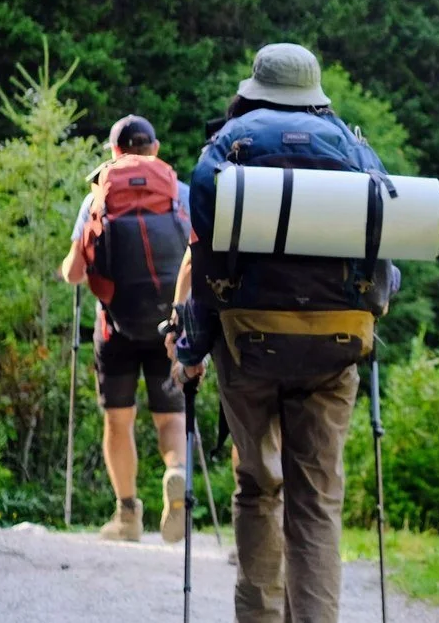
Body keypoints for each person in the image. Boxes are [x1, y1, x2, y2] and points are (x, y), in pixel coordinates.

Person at [169, 43, 399, 623]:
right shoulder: (351, 145)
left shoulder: (228, 145)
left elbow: (206, 261)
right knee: (317, 503)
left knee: (256, 485)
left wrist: (192, 350)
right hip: (335, 346)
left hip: (247, 345)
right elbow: (385, 266)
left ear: (255, 89)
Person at [58, 114, 191, 544]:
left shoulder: (97, 198)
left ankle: (127, 515)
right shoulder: (179, 193)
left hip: (115, 326)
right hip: (169, 326)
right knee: (170, 419)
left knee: (119, 420)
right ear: (155, 148)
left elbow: (75, 273)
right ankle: (175, 473)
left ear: (113, 153)